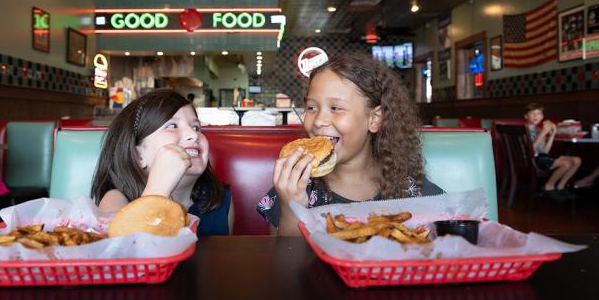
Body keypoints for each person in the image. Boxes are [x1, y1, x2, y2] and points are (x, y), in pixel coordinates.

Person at [258, 53, 444, 236]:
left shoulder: (411, 190)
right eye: (311, 108)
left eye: (336, 108)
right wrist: (292, 207)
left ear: (374, 119)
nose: (319, 120)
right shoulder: (293, 186)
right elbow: (285, 261)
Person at [90, 88, 233, 236]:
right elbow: (126, 250)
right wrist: (158, 188)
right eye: (172, 126)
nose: (193, 134)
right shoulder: (116, 199)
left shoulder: (221, 200)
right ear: (139, 155)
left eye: (196, 127)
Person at [524, 103, 581, 201]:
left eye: (538, 114)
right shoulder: (524, 130)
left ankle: (561, 186)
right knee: (566, 164)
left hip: (542, 158)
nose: (536, 116)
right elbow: (530, 151)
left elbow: (545, 151)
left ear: (542, 116)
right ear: (526, 116)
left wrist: (552, 135)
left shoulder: (539, 130)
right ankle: (548, 186)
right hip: (532, 160)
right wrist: (543, 133)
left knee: (577, 160)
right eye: (532, 113)